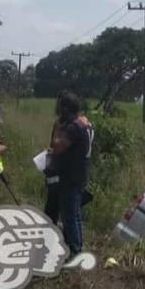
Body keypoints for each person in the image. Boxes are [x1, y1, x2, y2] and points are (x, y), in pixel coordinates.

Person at [49, 91, 94, 257]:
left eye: (60, 107)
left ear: (66, 108)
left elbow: (58, 146)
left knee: (69, 216)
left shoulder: (74, 127)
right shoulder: (85, 124)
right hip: (79, 174)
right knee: (74, 214)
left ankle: (74, 251)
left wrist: (56, 130)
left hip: (71, 176)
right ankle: (77, 248)